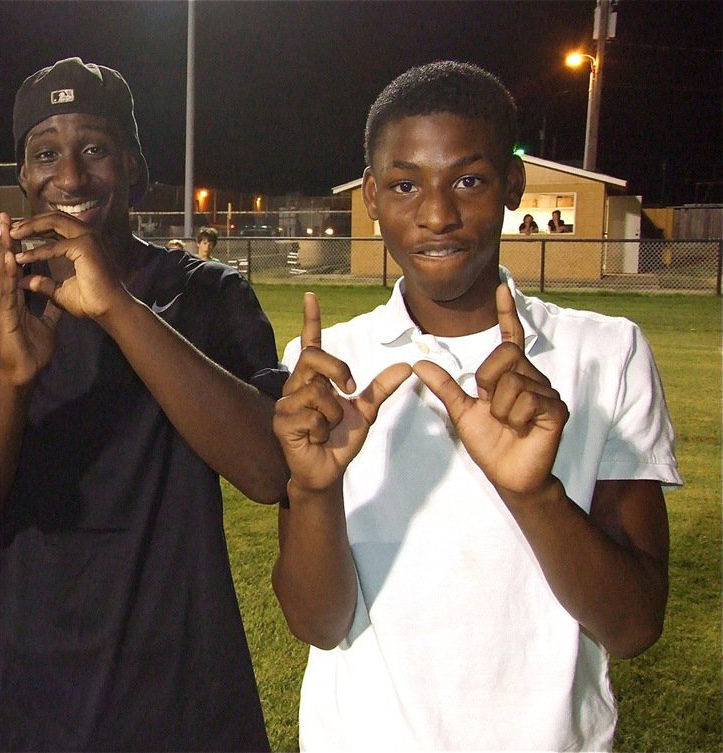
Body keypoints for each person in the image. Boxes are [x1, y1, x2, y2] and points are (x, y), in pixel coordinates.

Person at [273, 62, 679, 751]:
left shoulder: (605, 352)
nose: (437, 213)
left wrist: (536, 496)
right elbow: (318, 622)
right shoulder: (326, 368)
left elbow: (634, 625)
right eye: (405, 185)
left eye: (468, 179)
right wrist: (315, 491)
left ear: (513, 185)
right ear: (370, 196)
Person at [0, 57, 288, 751]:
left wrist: (117, 308)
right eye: (45, 153)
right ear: (24, 176)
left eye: (93, 148)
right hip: (29, 707)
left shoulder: (207, 294)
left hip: (188, 703)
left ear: (133, 164)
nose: (69, 176)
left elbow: (270, 471)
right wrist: (13, 377)